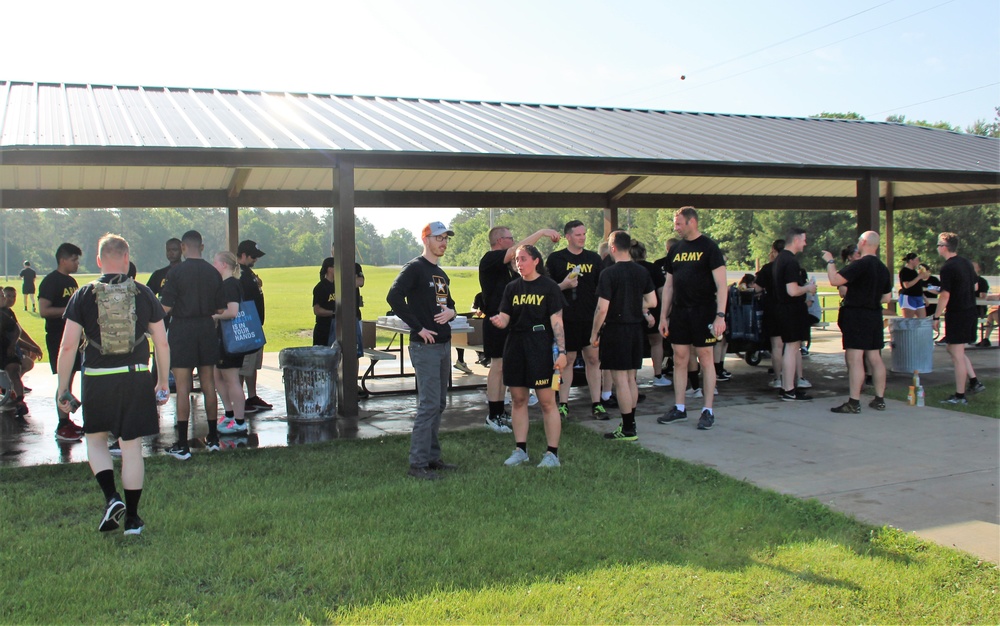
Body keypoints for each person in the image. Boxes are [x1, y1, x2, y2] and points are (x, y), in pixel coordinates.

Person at [56, 233, 170, 536]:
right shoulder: (144, 294)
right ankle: (132, 519)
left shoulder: (83, 295)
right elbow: (161, 342)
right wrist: (161, 381)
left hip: (96, 379)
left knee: (95, 440)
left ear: (98, 260)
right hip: (134, 376)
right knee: (131, 447)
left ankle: (111, 497)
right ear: (126, 258)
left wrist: (62, 387)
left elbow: (67, 347)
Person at [387, 221, 460, 480]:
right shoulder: (415, 269)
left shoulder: (440, 274)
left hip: (443, 344)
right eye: (438, 238)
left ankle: (432, 457)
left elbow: (448, 304)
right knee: (428, 404)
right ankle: (417, 465)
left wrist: (452, 312)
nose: (443, 242)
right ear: (426, 239)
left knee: (439, 403)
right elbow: (394, 297)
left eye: (446, 239)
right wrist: (418, 328)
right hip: (425, 347)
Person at [490, 245, 567, 468]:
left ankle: (552, 454)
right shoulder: (512, 288)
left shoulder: (549, 287)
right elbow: (505, 318)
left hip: (540, 344)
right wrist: (498, 321)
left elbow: (557, 321)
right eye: (516, 260)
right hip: (515, 344)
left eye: (523, 259)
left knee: (546, 401)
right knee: (518, 399)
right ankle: (520, 450)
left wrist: (561, 351)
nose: (519, 263)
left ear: (535, 261)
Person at [479, 225, 561, 433]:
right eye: (510, 238)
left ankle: (501, 411)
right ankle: (493, 414)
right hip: (496, 321)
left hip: (511, 324)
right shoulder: (490, 259)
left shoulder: (510, 269)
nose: (513, 241)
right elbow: (517, 250)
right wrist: (541, 232)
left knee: (506, 367)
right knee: (497, 366)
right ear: (499, 240)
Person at [655, 207, 727, 431]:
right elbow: (668, 285)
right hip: (680, 312)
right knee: (679, 358)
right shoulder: (675, 249)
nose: (675, 228)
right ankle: (679, 407)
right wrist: (663, 316)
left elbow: (722, 285)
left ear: (692, 222)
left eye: (679, 223)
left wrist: (720, 316)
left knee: (705, 357)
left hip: (704, 311)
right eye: (675, 224)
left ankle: (708, 410)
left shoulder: (709, 247)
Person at [158, 230, 226, 459]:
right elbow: (220, 309)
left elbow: (165, 308)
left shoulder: (175, 272)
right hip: (206, 328)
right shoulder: (213, 272)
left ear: (184, 248)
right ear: (202, 247)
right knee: (208, 384)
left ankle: (182, 444)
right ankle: (214, 437)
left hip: (182, 329)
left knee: (183, 386)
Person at [593, 230, 656, 441]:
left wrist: (594, 333)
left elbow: (602, 309)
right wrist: (634, 306)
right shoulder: (641, 271)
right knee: (631, 378)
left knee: (620, 380)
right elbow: (653, 302)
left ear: (612, 248)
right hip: (636, 329)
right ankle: (630, 422)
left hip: (616, 329)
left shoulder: (609, 273)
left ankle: (628, 428)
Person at [821, 231, 892, 413]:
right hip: (874, 314)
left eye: (860, 240)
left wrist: (830, 261)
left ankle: (854, 401)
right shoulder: (883, 268)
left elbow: (835, 280)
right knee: (875, 357)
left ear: (865, 242)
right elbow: (886, 297)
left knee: (855, 359)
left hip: (857, 314)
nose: (858, 243)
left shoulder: (860, 264)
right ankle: (880, 399)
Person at [545, 220, 607, 419]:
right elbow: (546, 289)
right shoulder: (556, 259)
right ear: (568, 236)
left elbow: (601, 290)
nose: (582, 237)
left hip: (590, 319)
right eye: (578, 234)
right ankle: (563, 403)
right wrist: (563, 285)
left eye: (584, 234)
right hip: (566, 319)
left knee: (593, 359)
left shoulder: (594, 259)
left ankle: (597, 403)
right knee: (567, 360)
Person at [38, 242, 84, 441]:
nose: (77, 264)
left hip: (73, 337)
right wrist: (70, 313)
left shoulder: (72, 281)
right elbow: (44, 310)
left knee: (71, 377)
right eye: (74, 260)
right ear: (63, 260)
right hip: (58, 337)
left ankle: (68, 419)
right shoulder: (51, 281)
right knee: (63, 380)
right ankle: (62, 424)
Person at [932, 233, 985, 404]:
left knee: (956, 353)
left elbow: (945, 295)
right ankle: (974, 382)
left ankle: (960, 396)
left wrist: (936, 316)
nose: (938, 247)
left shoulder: (948, 267)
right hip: (970, 311)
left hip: (958, 313)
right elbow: (975, 285)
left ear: (944, 247)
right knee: (954, 350)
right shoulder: (966, 263)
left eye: (939, 244)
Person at [771, 227, 817, 401]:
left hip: (783, 308)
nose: (805, 243)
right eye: (804, 240)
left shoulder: (780, 259)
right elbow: (792, 290)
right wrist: (808, 288)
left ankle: (787, 386)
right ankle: (788, 389)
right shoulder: (790, 261)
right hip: (790, 309)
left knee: (791, 347)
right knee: (791, 348)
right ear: (796, 240)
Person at [211, 251, 249, 436]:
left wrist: (214, 315)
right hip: (223, 339)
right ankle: (229, 413)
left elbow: (233, 312)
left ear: (224, 265)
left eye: (215, 263)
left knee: (232, 379)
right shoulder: (227, 284)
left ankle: (240, 421)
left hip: (231, 340)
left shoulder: (231, 284)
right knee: (217, 375)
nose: (213, 266)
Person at [237, 240, 271, 413]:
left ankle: (252, 396)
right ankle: (240, 400)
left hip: (256, 325)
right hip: (246, 325)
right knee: (243, 365)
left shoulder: (248, 273)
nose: (256, 259)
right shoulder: (238, 274)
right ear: (243, 255)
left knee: (253, 365)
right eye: (253, 256)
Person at [1, 287, 42, 417]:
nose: (6, 299)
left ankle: (19, 400)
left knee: (14, 370)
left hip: (5, 350)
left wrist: (13, 345)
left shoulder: (5, 314)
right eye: (3, 296)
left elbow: (16, 329)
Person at [312, 257, 337, 347]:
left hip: (336, 328)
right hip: (324, 329)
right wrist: (333, 313)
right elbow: (317, 310)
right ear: (329, 269)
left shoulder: (338, 285)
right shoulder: (320, 287)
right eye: (336, 266)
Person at [898, 253, 929, 318]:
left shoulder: (914, 271)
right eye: (916, 260)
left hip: (918, 296)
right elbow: (906, 285)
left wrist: (924, 297)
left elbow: (918, 286)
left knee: (922, 319)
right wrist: (918, 277)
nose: (918, 262)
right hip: (909, 296)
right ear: (911, 260)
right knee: (908, 320)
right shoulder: (904, 271)